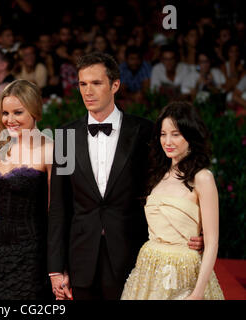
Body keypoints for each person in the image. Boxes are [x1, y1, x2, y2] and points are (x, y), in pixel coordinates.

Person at [47, 52, 203, 300]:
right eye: (82, 84)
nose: (88, 91)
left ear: (115, 85)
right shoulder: (66, 136)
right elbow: (59, 205)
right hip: (80, 256)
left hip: (131, 255)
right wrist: (56, 268)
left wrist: (193, 230)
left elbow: (166, 186)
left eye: (96, 83)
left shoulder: (144, 131)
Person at [121, 101, 225, 300]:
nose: (167, 141)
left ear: (191, 136)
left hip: (186, 275)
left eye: (175, 134)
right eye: (163, 134)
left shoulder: (203, 178)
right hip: (148, 272)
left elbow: (212, 243)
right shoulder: (157, 174)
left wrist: (198, 293)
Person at [0, 79, 54, 300]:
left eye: (18, 112)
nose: (10, 120)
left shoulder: (50, 150)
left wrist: (58, 265)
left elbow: (56, 211)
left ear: (34, 111)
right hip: (0, 253)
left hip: (35, 253)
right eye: (5, 113)